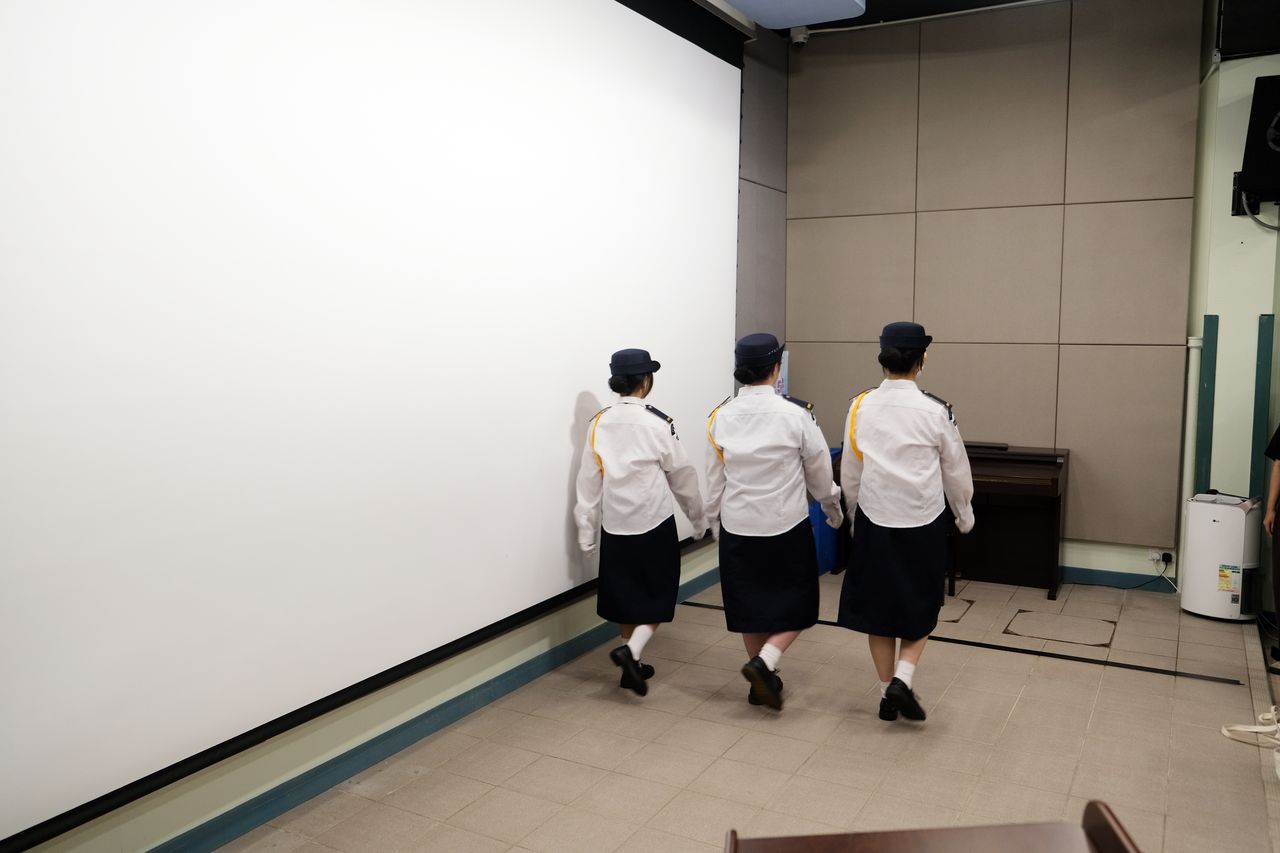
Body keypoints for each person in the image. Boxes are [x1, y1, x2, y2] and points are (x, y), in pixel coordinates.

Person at [836, 322, 974, 723]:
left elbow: (851, 470)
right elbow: (955, 471)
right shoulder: (936, 411)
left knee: (878, 610)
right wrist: (963, 513)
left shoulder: (859, 406)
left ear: (882, 357)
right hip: (922, 521)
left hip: (875, 518)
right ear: (922, 359)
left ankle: (886, 695)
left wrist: (854, 515)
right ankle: (904, 677)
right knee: (921, 603)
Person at [705, 332, 843, 710]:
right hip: (785, 526)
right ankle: (765, 662)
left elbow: (714, 480)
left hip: (738, 526)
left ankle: (760, 680)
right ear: (776, 368)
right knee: (800, 601)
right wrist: (833, 509)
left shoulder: (719, 417)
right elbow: (819, 474)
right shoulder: (797, 415)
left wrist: (713, 522)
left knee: (750, 605)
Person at [574, 348, 707, 696]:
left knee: (626, 596)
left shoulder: (598, 424)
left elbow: (588, 482)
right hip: (653, 522)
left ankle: (630, 665)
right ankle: (631, 652)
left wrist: (586, 531)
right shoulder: (657, 424)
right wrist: (698, 518)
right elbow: (682, 477)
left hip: (615, 524)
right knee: (659, 594)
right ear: (646, 381)